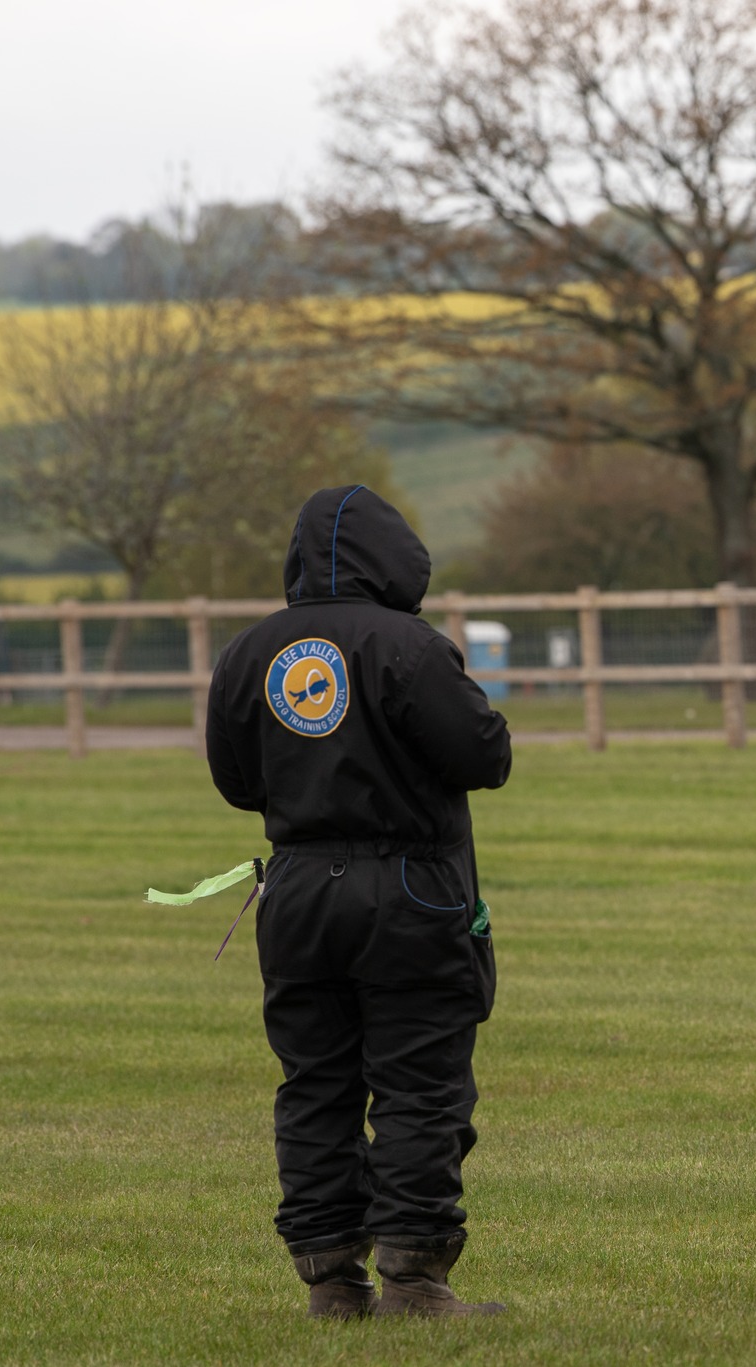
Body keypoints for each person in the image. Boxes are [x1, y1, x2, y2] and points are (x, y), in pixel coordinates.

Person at [205, 485, 512, 1318]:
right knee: (418, 1081)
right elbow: (482, 755)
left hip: (297, 889)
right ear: (395, 558)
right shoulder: (410, 646)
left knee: (315, 1083)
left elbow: (235, 780)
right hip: (410, 887)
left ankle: (332, 1280)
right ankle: (414, 1278)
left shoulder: (248, 652)